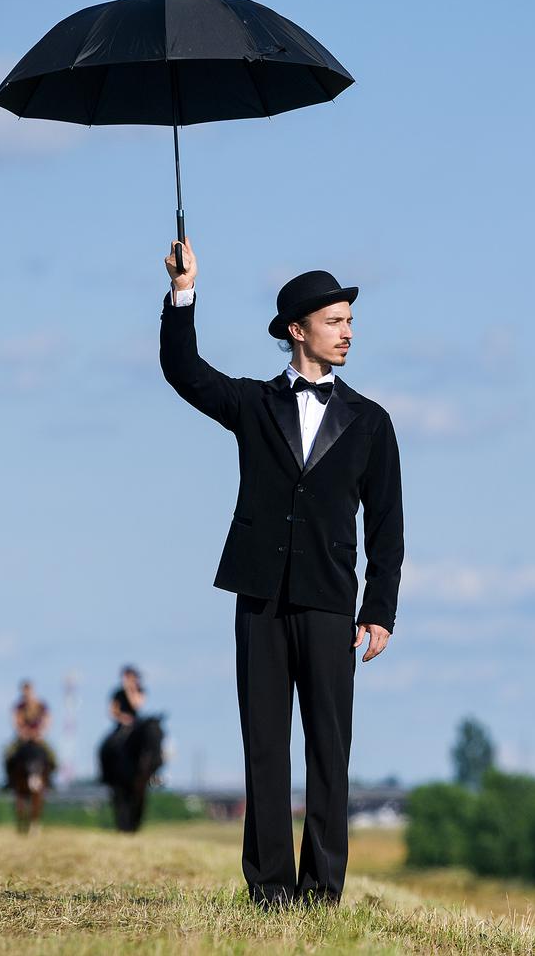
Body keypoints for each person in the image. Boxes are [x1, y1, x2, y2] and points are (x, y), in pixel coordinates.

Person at [159, 233, 404, 907]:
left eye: (350, 321)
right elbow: (184, 370)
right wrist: (183, 290)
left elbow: (387, 525)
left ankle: (322, 891)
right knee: (264, 747)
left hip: (330, 604)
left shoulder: (371, 422)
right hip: (259, 599)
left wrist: (378, 607)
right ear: (297, 330)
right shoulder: (251, 404)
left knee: (329, 749)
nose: (347, 332)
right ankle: (269, 890)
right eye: (334, 321)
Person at [5, 679, 54, 784]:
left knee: (52, 755)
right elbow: (16, 722)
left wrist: (41, 733)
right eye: (24, 691)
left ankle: (49, 779)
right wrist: (23, 733)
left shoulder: (41, 705)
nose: (26, 693)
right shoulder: (19, 707)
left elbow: (47, 720)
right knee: (8, 754)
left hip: (38, 738)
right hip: (23, 738)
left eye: (29, 690)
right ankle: (9, 780)